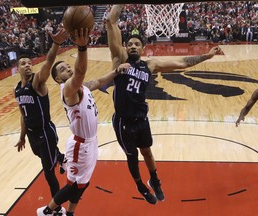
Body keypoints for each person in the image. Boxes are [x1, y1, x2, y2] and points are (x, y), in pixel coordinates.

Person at [106, 4, 221, 205]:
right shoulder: (119, 59)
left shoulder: (150, 64)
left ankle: (154, 179)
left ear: (143, 49)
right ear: (125, 47)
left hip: (141, 118)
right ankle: (140, 185)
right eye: (130, 43)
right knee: (132, 157)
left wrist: (207, 55)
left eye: (136, 44)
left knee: (147, 151)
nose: (132, 46)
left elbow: (182, 63)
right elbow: (110, 22)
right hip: (123, 121)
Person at [37, 28, 129, 216]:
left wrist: (115, 72)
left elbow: (98, 81)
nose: (68, 69)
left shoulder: (81, 86)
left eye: (68, 66)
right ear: (57, 78)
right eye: (63, 69)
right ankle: (47, 211)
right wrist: (82, 47)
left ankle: (70, 213)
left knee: (83, 184)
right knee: (73, 186)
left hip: (91, 142)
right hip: (80, 145)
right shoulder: (69, 89)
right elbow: (80, 71)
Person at [14, 28, 68, 215]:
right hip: (31, 134)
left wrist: (56, 44)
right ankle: (61, 158)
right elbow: (22, 114)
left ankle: (58, 209)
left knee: (48, 172)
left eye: (29, 63)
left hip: (45, 131)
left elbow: (48, 63)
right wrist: (22, 137)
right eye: (23, 63)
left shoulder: (37, 82)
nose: (28, 65)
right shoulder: (17, 90)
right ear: (17, 68)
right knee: (44, 158)